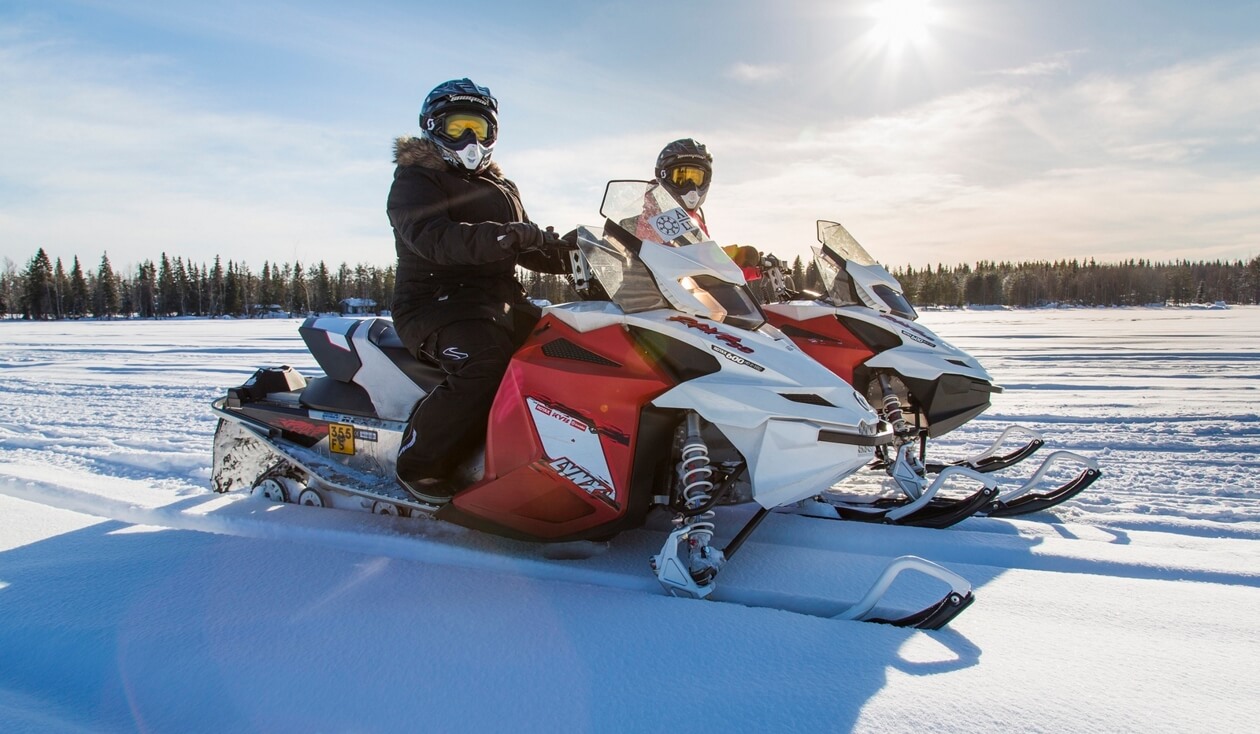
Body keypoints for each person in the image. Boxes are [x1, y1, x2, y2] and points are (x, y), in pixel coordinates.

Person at [387, 78, 570, 506]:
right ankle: (420, 466)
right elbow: (434, 238)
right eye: (458, 128)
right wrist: (506, 236)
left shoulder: (502, 188)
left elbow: (527, 245)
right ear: (433, 127)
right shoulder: (416, 179)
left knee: (572, 347)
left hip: (499, 304)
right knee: (485, 365)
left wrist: (574, 253)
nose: (471, 140)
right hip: (435, 307)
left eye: (480, 129)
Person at [653, 138, 763, 284]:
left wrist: (740, 257)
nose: (690, 185)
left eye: (696, 178)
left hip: (680, 298)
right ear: (664, 176)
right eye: (681, 177)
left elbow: (707, 257)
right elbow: (696, 262)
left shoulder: (695, 220)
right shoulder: (654, 214)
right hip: (646, 298)